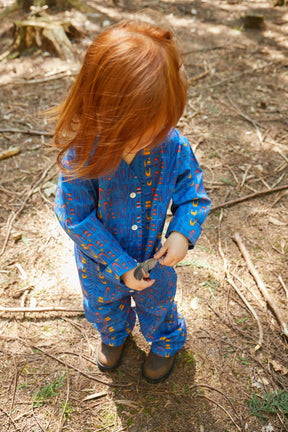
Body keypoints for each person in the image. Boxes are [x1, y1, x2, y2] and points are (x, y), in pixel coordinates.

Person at [50, 20, 211, 383]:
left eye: (156, 127)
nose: (144, 140)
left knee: (159, 305)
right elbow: (76, 216)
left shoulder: (173, 146)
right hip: (101, 263)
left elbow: (192, 193)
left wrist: (182, 234)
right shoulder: (82, 155)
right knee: (105, 306)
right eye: (133, 131)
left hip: (155, 259)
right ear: (98, 107)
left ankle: (165, 341)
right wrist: (120, 265)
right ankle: (114, 336)